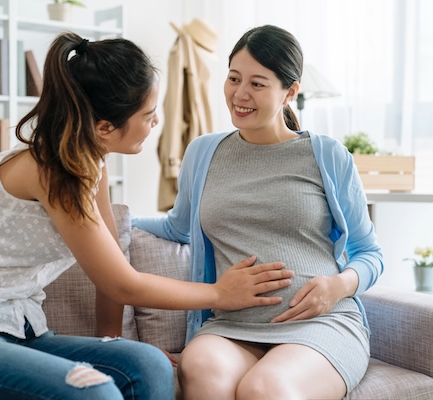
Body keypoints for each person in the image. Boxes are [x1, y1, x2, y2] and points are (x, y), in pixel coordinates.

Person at [0, 32, 295, 400]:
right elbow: (123, 284)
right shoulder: (51, 168)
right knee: (95, 392)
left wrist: (111, 343)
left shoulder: (91, 161)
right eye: (147, 114)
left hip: (17, 335)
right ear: (105, 127)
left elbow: (112, 265)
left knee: (149, 365)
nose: (155, 123)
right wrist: (219, 293)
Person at [132, 25, 384, 400]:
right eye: (233, 78)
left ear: (290, 92)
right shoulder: (203, 152)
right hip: (232, 326)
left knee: (264, 388)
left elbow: (370, 253)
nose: (240, 94)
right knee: (200, 369)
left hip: (321, 323)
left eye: (258, 84)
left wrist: (337, 287)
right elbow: (178, 226)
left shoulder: (327, 155)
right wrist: (110, 222)